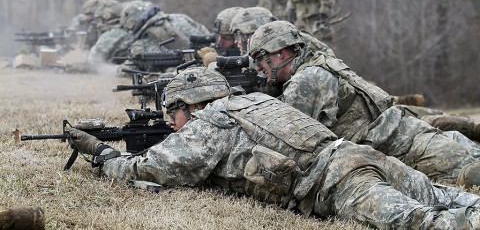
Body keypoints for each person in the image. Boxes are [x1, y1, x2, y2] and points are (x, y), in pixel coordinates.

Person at [68, 67, 480, 229]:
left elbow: (151, 170)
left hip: (343, 183)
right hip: (362, 157)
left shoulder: (209, 122)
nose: (171, 124)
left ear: (192, 107)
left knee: (425, 224)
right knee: (454, 199)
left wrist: (104, 156)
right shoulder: (260, 102)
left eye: (173, 115)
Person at [248, 21, 480, 188]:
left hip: (403, 144)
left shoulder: (306, 81)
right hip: (404, 131)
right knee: (468, 154)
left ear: (279, 52)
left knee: (471, 174)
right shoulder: (318, 61)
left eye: (260, 57)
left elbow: (285, 138)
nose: (259, 66)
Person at [87, 0, 211, 64]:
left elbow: (128, 68)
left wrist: (109, 69)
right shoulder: (181, 17)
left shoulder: (143, 42)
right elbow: (207, 35)